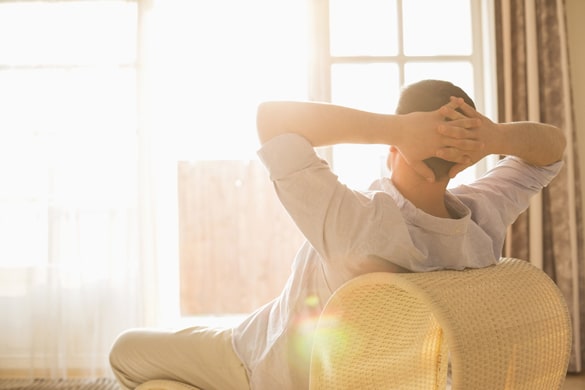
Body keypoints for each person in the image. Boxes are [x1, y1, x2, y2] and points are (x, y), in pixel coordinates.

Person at [109, 79, 566, 390]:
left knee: (126, 352)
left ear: (396, 149)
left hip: (258, 362)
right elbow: (551, 151)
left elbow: (272, 118)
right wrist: (488, 137)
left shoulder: (360, 224)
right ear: (465, 158)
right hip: (362, 372)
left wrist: (398, 128)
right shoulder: (481, 217)